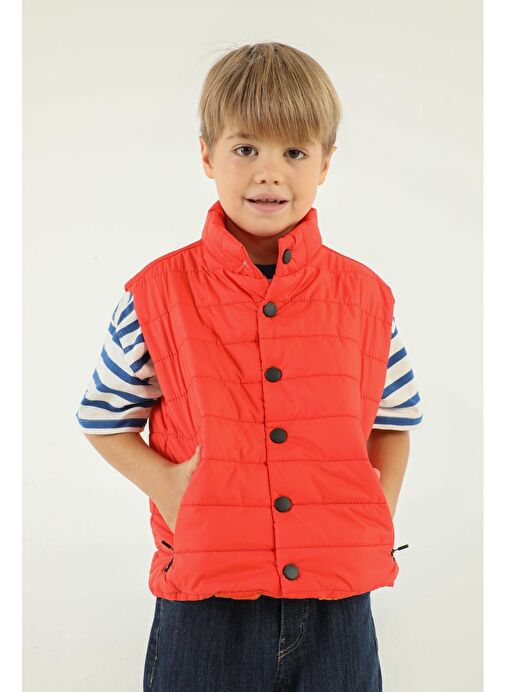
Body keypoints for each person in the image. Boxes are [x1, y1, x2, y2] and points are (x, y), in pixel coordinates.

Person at [76, 42, 423, 692]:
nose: (269, 173)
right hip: (206, 603)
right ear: (207, 155)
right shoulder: (157, 295)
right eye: (245, 149)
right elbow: (103, 418)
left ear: (325, 163)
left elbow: (394, 420)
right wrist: (168, 487)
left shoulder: (366, 298)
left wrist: (379, 508)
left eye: (293, 152)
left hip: (337, 603)